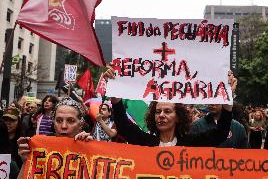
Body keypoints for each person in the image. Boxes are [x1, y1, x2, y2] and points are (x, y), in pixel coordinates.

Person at [103, 67, 236, 147]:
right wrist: (115, 94)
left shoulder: (191, 142)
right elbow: (123, 126)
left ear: (178, 117)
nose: (161, 115)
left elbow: (220, 134)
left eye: (167, 111)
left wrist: (227, 101)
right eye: (158, 112)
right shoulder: (145, 141)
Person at [17, 97, 93, 179]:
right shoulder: (41, 149)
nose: (64, 126)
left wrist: (90, 151)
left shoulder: (89, 146)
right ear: (53, 122)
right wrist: (26, 162)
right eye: (59, 120)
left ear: (81, 124)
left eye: (70, 121)